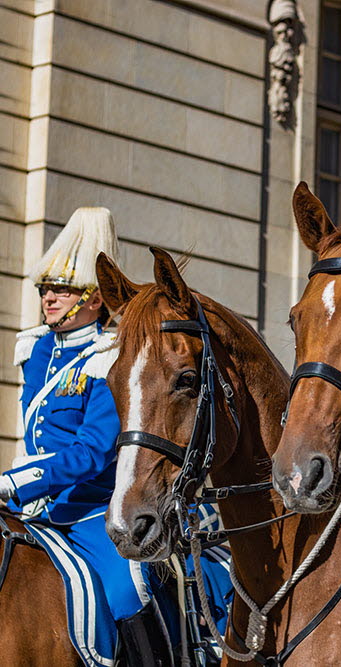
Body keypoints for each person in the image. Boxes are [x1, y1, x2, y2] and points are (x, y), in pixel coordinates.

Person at [7, 208, 172, 666]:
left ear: (95, 300)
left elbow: (92, 451)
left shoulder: (109, 356)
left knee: (127, 590)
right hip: (36, 506)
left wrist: (19, 481)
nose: (50, 298)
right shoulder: (38, 350)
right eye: (46, 288)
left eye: (64, 289)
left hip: (89, 510)